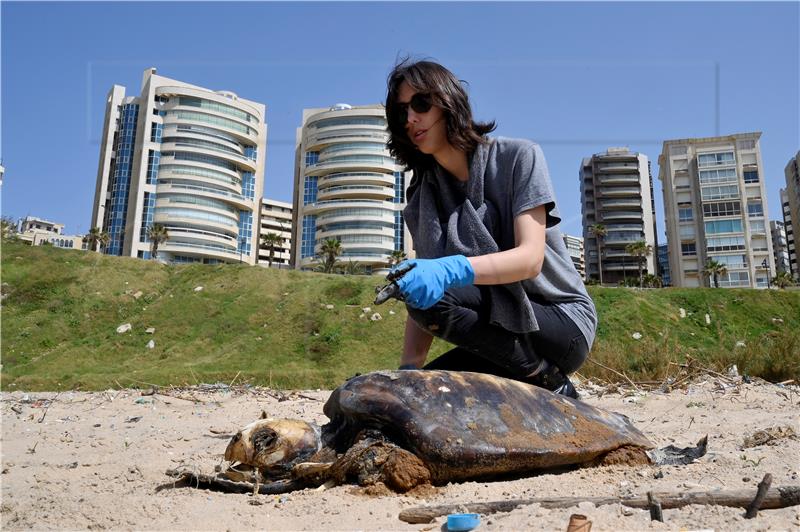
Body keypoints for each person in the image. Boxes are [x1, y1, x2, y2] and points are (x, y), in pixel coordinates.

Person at [384, 59, 597, 399]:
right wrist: (409, 371)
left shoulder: (518, 157)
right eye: (401, 112)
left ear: (448, 101)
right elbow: (424, 299)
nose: (411, 119)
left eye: (421, 104)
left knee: (438, 289)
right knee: (424, 394)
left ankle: (549, 380)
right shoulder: (422, 196)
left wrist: (450, 268)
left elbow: (530, 260)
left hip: (557, 322)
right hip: (498, 333)